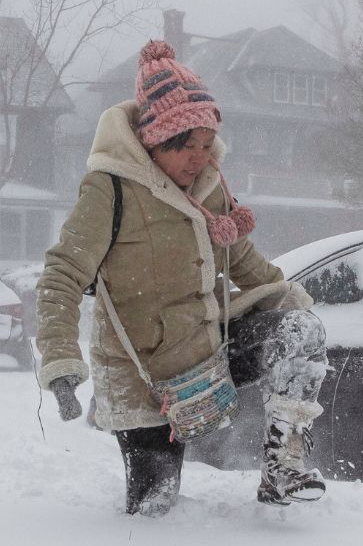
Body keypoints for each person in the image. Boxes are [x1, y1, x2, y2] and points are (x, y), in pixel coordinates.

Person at [35, 41, 327, 515]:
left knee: (299, 329)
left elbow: (245, 262)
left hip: (209, 351)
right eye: (186, 145)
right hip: (145, 377)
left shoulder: (209, 189)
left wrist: (299, 304)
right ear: (154, 141)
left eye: (207, 144)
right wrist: (61, 362)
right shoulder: (109, 188)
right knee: (155, 510)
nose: (199, 158)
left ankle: (284, 467)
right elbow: (62, 275)